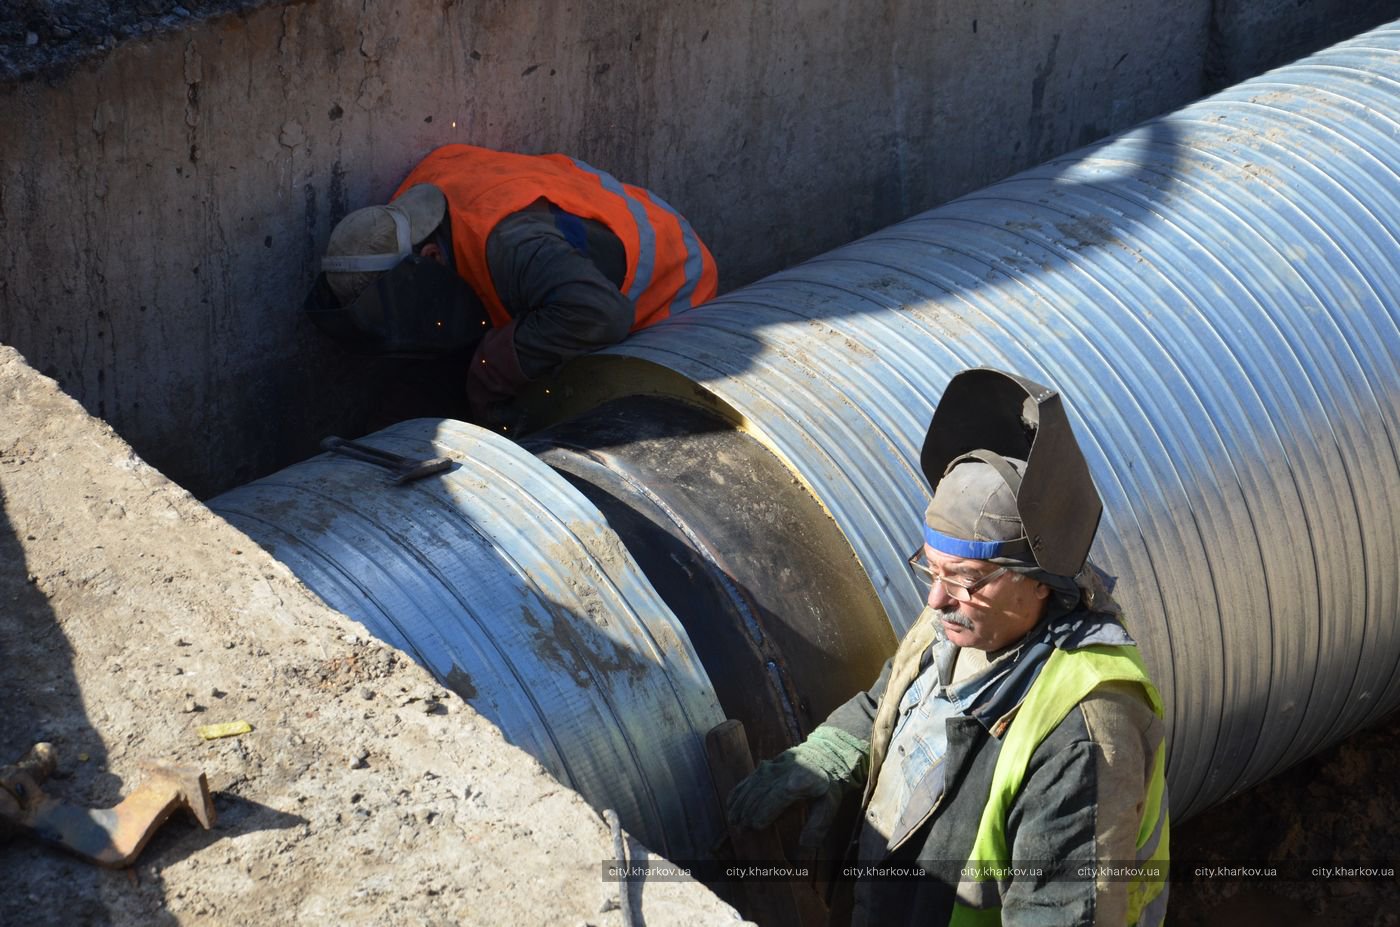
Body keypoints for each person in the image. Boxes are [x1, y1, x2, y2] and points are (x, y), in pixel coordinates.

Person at [727, 367, 1169, 926]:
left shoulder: (1082, 730)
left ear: (1038, 580)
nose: (936, 598)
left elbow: (1061, 913)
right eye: (931, 570)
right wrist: (830, 753)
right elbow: (891, 700)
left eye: (965, 578)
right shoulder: (962, 621)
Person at [302, 144, 719, 426]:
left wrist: (493, 367)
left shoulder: (511, 246)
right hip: (577, 262)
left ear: (428, 258)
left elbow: (601, 315)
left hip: (671, 292)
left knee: (575, 408)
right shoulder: (411, 210)